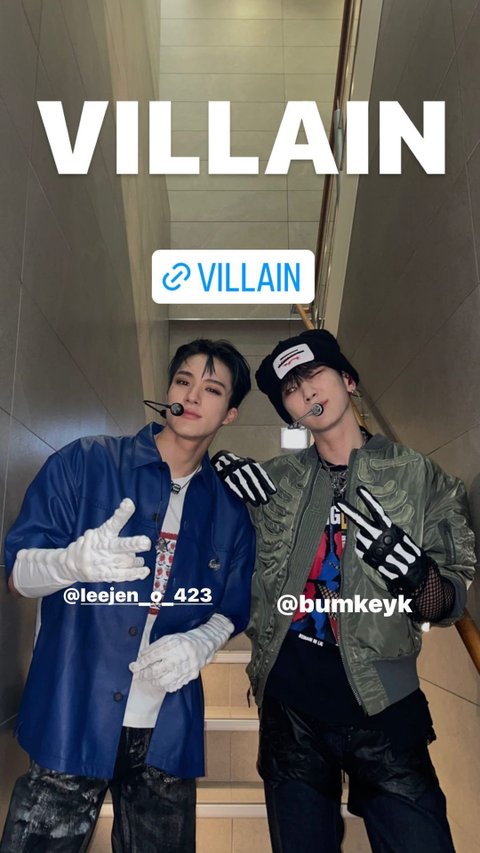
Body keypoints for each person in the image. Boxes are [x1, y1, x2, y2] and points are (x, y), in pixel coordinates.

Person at [214, 329, 475, 853]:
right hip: (289, 708)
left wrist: (419, 577)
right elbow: (218, 555)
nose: (306, 391)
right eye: (291, 388)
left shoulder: (418, 475)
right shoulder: (275, 481)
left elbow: (450, 602)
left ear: (349, 381)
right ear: (290, 414)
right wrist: (214, 478)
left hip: (385, 708)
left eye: (314, 374)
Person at [1, 338, 256, 853]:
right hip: (72, 714)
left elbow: (233, 607)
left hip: (166, 729)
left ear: (230, 414)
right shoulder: (85, 463)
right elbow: (17, 575)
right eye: (182, 381)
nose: (192, 395)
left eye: (212, 389)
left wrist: (201, 642)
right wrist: (68, 563)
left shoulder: (230, 510)